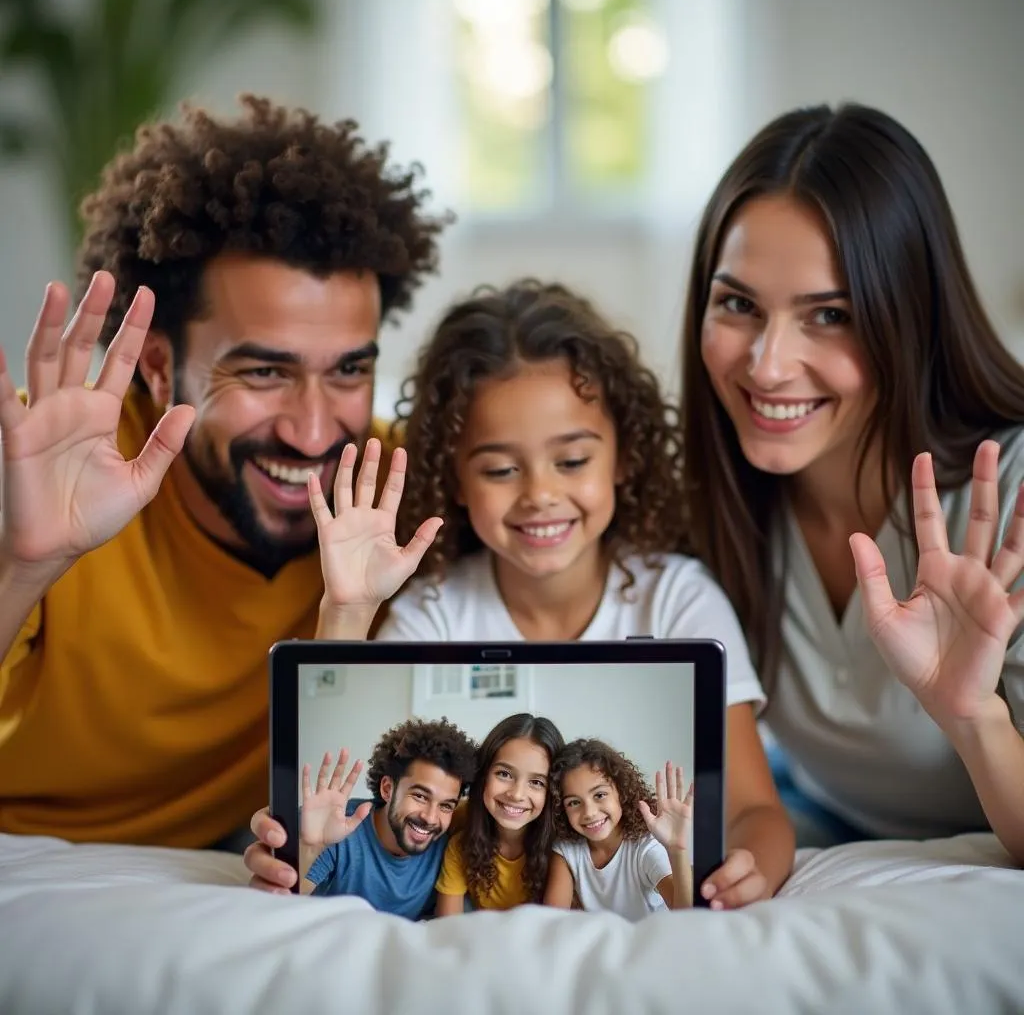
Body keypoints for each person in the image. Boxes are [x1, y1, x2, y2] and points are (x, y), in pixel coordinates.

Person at [245, 279, 795, 906]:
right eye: (501, 469)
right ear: (454, 475)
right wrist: (347, 610)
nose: (538, 493)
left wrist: (751, 867)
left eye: (572, 460)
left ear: (623, 457)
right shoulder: (433, 610)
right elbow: (334, 783)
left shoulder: (679, 599)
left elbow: (758, 809)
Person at [0, 94, 448, 850]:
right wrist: (25, 564)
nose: (312, 433)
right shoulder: (44, 464)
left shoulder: (391, 484)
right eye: (265, 372)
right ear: (158, 366)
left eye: (347, 372)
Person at [679, 101, 1024, 862]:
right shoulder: (711, 496)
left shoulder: (1011, 494)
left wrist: (974, 717)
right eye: (738, 304)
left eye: (828, 314)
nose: (766, 366)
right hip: (809, 816)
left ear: (911, 318)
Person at [297, 718, 477, 919]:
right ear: (387, 789)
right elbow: (279, 903)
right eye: (420, 796)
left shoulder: (448, 844)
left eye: (445, 805)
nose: (430, 818)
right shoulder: (339, 826)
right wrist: (311, 848)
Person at [544, 740, 694, 919]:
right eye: (574, 802)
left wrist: (676, 850)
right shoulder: (566, 850)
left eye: (599, 795)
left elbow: (686, 915)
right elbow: (552, 922)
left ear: (622, 792)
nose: (589, 813)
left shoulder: (645, 848)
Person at [434, 712, 564, 915]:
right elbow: (447, 929)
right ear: (483, 774)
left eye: (537, 782)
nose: (517, 794)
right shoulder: (458, 835)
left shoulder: (563, 848)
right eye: (504, 774)